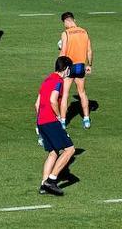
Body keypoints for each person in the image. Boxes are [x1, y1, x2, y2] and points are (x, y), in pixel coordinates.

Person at [35, 56, 76, 196]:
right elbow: (53, 100)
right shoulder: (58, 81)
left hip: (41, 121)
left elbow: (37, 104)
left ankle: (43, 185)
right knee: (70, 150)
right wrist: (58, 117)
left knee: (53, 152)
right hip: (51, 121)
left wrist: (38, 123)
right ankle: (51, 181)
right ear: (65, 68)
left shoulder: (46, 80)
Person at [57, 12, 93, 129]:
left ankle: (63, 122)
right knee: (82, 93)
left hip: (69, 67)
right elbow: (89, 51)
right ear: (74, 19)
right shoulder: (84, 32)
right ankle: (86, 119)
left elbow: (63, 51)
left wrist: (59, 67)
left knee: (65, 94)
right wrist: (89, 65)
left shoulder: (66, 33)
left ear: (66, 21)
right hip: (80, 66)